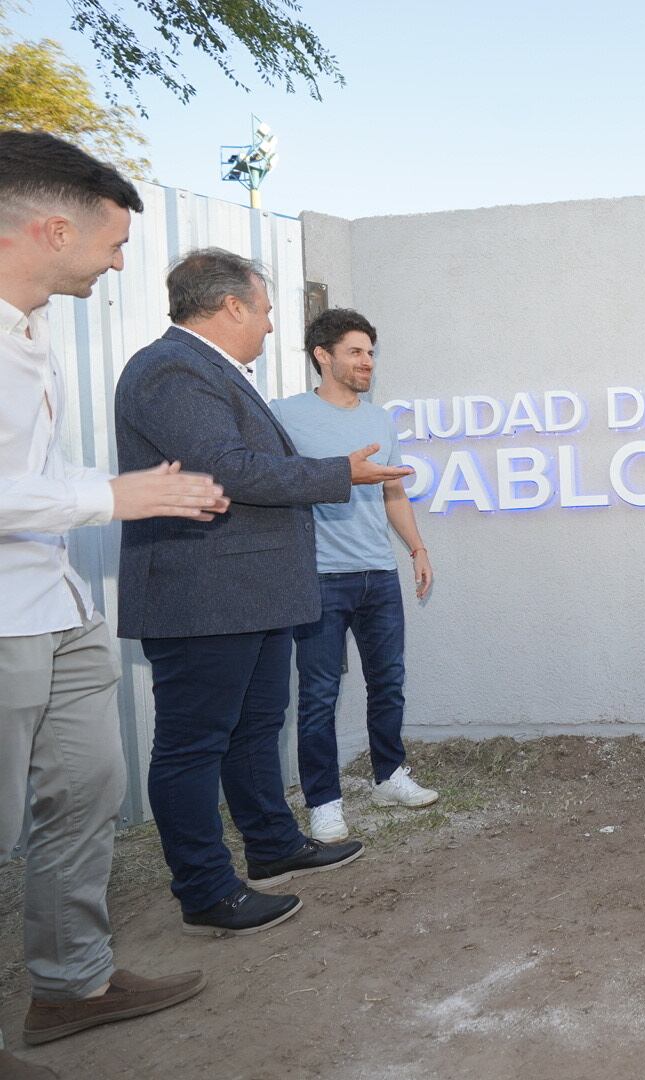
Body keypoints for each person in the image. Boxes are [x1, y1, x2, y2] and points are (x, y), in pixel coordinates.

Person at [0, 131, 219, 1076]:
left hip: (59, 604)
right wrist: (116, 497)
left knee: (86, 795)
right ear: (52, 229)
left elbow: (30, 475)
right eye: (115, 241)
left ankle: (71, 987)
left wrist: (138, 487)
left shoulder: (29, 331)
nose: (123, 260)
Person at [114, 248, 413, 936]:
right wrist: (339, 473)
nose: (272, 326)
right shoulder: (170, 370)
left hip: (249, 591)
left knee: (254, 729)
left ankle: (273, 843)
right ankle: (206, 887)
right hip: (203, 593)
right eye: (268, 310)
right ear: (232, 307)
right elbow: (231, 470)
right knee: (193, 746)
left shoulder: (214, 372)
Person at [269, 308, 439, 844]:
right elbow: (269, 481)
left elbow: (392, 491)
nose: (367, 361)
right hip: (320, 576)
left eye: (370, 352)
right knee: (319, 693)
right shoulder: (285, 415)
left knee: (388, 682)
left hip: (378, 575)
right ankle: (324, 802)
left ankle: (390, 776)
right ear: (323, 356)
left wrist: (416, 547)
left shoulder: (379, 418)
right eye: (356, 352)